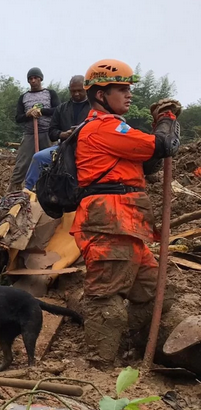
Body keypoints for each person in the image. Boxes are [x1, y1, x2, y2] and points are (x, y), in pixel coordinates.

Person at [71, 59, 181, 363]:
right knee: (106, 298)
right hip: (109, 222)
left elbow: (149, 160)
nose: (128, 94)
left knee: (155, 292)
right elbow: (162, 145)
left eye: (129, 88)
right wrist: (167, 117)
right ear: (100, 95)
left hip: (128, 223)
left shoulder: (115, 129)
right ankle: (99, 366)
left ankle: (137, 349)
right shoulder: (104, 127)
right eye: (121, 88)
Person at [23, 75, 91, 190]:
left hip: (89, 150)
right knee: (38, 157)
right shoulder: (61, 108)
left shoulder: (94, 108)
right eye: (73, 91)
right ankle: (27, 191)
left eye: (80, 91)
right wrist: (62, 134)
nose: (76, 94)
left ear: (86, 89)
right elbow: (52, 131)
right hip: (64, 148)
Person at [8, 67, 61, 192]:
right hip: (30, 135)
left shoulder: (50, 94)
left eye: (35, 78)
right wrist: (28, 114)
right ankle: (12, 192)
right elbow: (18, 118)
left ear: (40, 79)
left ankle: (51, 191)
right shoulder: (23, 97)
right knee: (22, 163)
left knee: (51, 162)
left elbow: (58, 110)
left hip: (48, 133)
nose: (33, 81)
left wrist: (41, 111)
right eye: (30, 79)